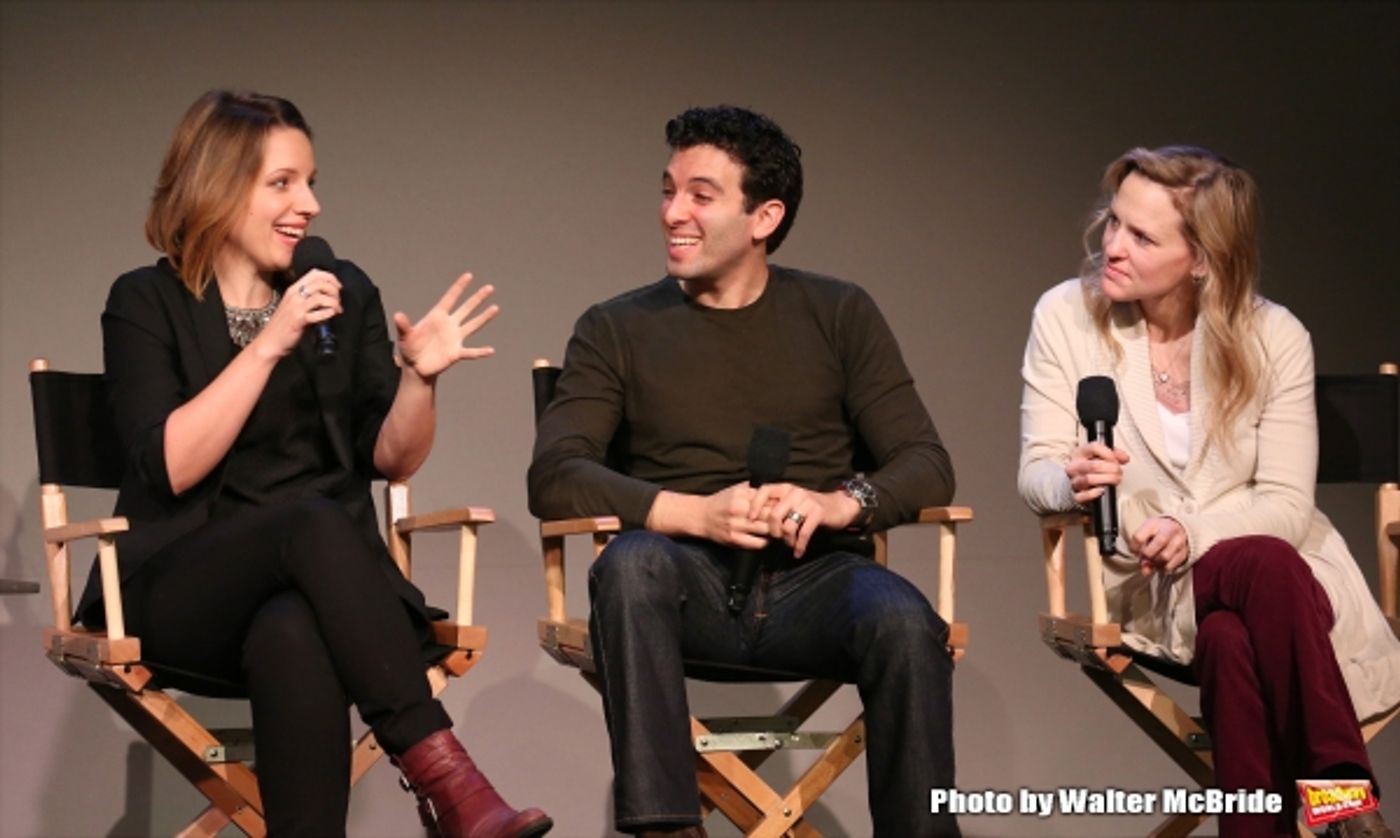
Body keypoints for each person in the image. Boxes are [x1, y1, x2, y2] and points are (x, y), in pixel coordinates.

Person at [75, 90, 552, 838]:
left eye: (312, 181)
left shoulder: (346, 293)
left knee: (293, 626)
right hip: (181, 590)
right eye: (284, 182)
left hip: (327, 593)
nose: (311, 205)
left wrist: (419, 380)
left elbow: (390, 460)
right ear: (218, 187)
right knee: (306, 521)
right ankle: (444, 778)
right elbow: (168, 465)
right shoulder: (145, 301)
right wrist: (271, 340)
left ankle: (444, 792)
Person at [528, 105, 959, 837]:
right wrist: (694, 514)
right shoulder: (616, 326)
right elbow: (555, 475)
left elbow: (926, 464)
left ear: (764, 216)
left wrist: (837, 503)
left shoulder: (839, 312)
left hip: (814, 583)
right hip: (681, 584)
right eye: (667, 190)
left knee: (904, 617)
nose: (673, 213)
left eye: (700, 195)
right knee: (631, 567)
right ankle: (669, 828)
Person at [1018, 145, 1400, 838]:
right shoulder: (1066, 316)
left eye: (1142, 236)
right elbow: (1035, 472)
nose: (1113, 246)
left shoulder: (1274, 336)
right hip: (1156, 582)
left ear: (1201, 258)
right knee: (1235, 610)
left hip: (1294, 584)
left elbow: (1285, 507)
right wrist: (1073, 477)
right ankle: (1344, 796)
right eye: (1113, 221)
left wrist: (1194, 528)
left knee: (1236, 632)